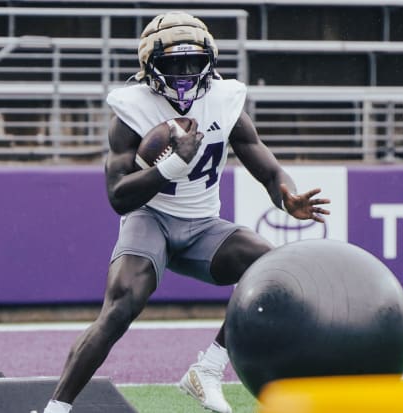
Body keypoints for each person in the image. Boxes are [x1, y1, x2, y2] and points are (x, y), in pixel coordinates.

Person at [43, 11, 330, 413]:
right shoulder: (132, 110)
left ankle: (208, 370)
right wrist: (172, 166)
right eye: (172, 63)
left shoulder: (224, 100)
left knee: (272, 271)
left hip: (203, 227)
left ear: (209, 62)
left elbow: (268, 167)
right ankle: (57, 409)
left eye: (193, 62)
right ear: (149, 66)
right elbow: (119, 197)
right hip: (150, 220)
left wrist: (287, 197)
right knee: (121, 305)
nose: (184, 73)